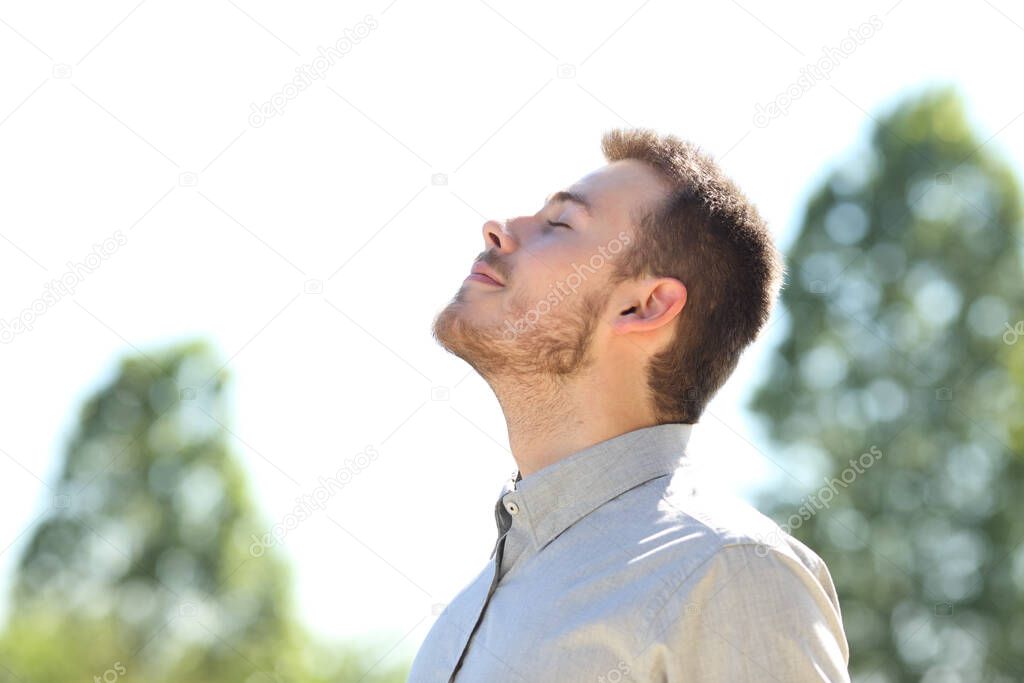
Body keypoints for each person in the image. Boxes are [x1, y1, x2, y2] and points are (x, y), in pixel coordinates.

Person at [410, 127, 851, 682]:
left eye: (560, 224)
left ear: (645, 306)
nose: (499, 230)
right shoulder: (460, 619)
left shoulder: (728, 570)